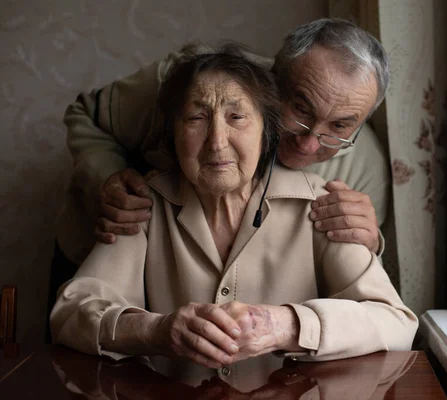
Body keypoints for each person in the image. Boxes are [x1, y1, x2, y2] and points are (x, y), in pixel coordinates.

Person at [50, 47, 418, 367]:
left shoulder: (326, 202)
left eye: (237, 118)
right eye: (196, 118)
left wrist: (289, 326)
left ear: (265, 129)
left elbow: (395, 323)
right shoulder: (145, 203)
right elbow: (69, 313)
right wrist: (155, 330)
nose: (217, 142)